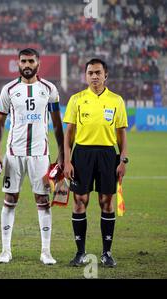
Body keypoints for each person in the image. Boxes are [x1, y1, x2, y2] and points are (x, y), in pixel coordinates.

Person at [0, 48, 65, 265]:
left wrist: (62, 154)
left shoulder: (49, 89)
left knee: (42, 200)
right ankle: (6, 250)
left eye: (30, 61)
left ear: (38, 63)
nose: (27, 64)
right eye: (23, 61)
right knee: (10, 199)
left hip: (40, 155)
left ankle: (46, 251)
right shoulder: (8, 90)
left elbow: (56, 123)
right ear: (18, 63)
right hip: (14, 154)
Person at [63, 58, 128, 267]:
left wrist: (123, 160)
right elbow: (69, 134)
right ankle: (80, 252)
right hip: (82, 154)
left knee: (106, 202)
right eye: (90, 73)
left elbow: (122, 134)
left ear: (105, 75)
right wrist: (67, 160)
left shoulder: (116, 100)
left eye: (98, 73)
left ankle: (106, 253)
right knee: (80, 200)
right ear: (85, 76)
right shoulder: (77, 99)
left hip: (108, 154)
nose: (94, 76)